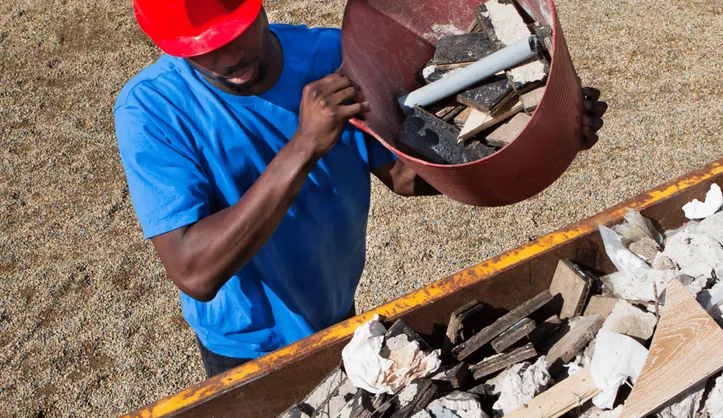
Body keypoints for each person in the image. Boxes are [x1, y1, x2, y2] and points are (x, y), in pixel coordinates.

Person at [114, 0, 607, 378]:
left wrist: (540, 137)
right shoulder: (152, 110)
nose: (227, 57)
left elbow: (404, 176)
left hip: (338, 309)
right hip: (246, 346)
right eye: (200, 50)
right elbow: (194, 270)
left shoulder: (331, 57)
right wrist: (304, 144)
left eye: (236, 33)